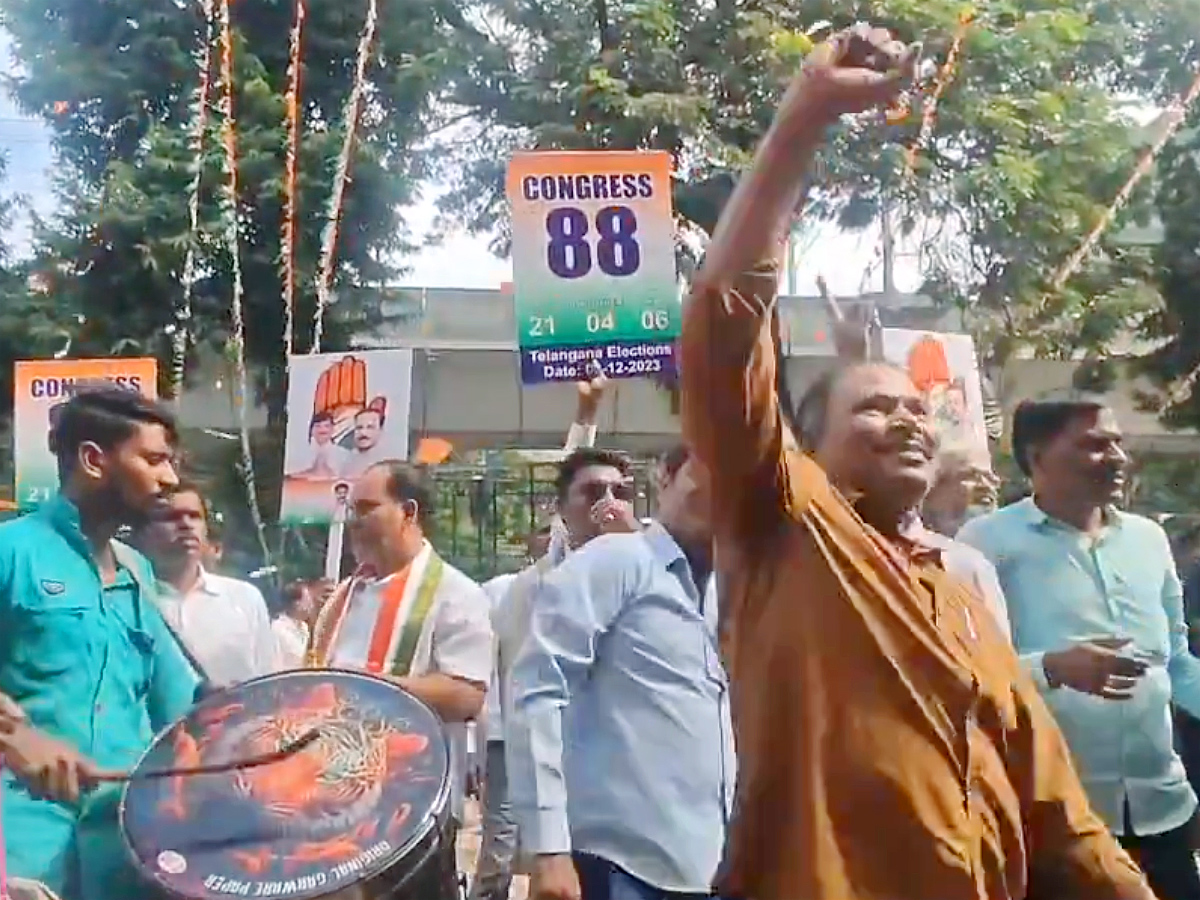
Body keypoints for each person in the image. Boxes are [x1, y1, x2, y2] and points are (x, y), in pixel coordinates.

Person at [678, 25, 1152, 900]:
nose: (906, 420)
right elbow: (722, 316)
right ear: (805, 450)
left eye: (916, 407)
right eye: (873, 406)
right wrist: (806, 114)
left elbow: (1054, 804)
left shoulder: (965, 591)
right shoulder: (787, 524)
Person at [958, 394, 1200, 900]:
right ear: (1036, 456)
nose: (1116, 457)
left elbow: (1176, 663)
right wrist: (1052, 668)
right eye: (1093, 444)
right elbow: (967, 673)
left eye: (1115, 442)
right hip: (1055, 819)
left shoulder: (1147, 539)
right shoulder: (984, 544)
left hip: (1164, 809)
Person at [0, 385, 199, 900]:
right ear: (94, 460)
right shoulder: (10, 551)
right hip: (23, 857)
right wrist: (15, 737)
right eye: (153, 460)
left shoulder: (138, 572)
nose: (170, 479)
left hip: (128, 859)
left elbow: (186, 709)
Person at [508, 446, 732, 900]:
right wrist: (550, 851)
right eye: (710, 471)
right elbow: (537, 691)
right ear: (665, 477)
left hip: (706, 868)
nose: (722, 491)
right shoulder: (616, 561)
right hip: (619, 870)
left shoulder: (726, 594)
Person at [304, 460, 492, 873]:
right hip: (327, 806)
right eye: (352, 511)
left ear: (409, 512)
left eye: (366, 508)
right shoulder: (344, 596)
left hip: (409, 811)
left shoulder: (456, 594)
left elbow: (467, 695)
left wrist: (373, 688)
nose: (354, 522)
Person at [471, 371, 611, 900]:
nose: (607, 504)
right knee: (534, 863)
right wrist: (587, 415)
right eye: (594, 495)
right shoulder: (537, 582)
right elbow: (574, 475)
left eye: (621, 493)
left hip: (603, 756)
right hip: (529, 743)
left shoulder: (641, 571)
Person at [133, 481, 277, 686]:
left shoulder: (244, 598)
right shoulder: (132, 600)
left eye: (194, 516)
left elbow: (267, 680)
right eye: (170, 517)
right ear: (144, 532)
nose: (185, 524)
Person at [272, 579, 329, 669]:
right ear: (297, 604)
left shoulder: (304, 627)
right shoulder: (277, 630)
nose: (311, 605)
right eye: (308, 600)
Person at [294, 410, 351, 478]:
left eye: (326, 426)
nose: (322, 429)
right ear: (311, 430)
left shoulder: (344, 455)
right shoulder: (300, 454)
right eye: (318, 426)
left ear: (333, 429)